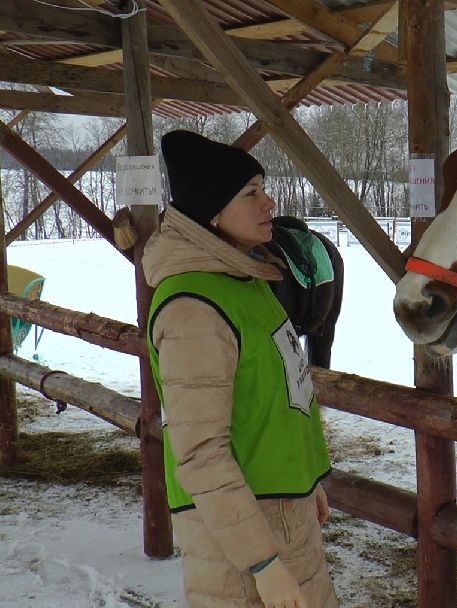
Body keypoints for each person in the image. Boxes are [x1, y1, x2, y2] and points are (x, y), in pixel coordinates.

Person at [143, 130, 338, 608]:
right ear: (212, 211)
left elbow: (284, 396)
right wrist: (264, 566)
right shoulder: (194, 310)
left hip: (282, 518)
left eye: (263, 188)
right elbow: (202, 455)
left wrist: (308, 481)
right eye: (251, 193)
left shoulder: (249, 285)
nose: (269, 202)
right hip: (239, 552)